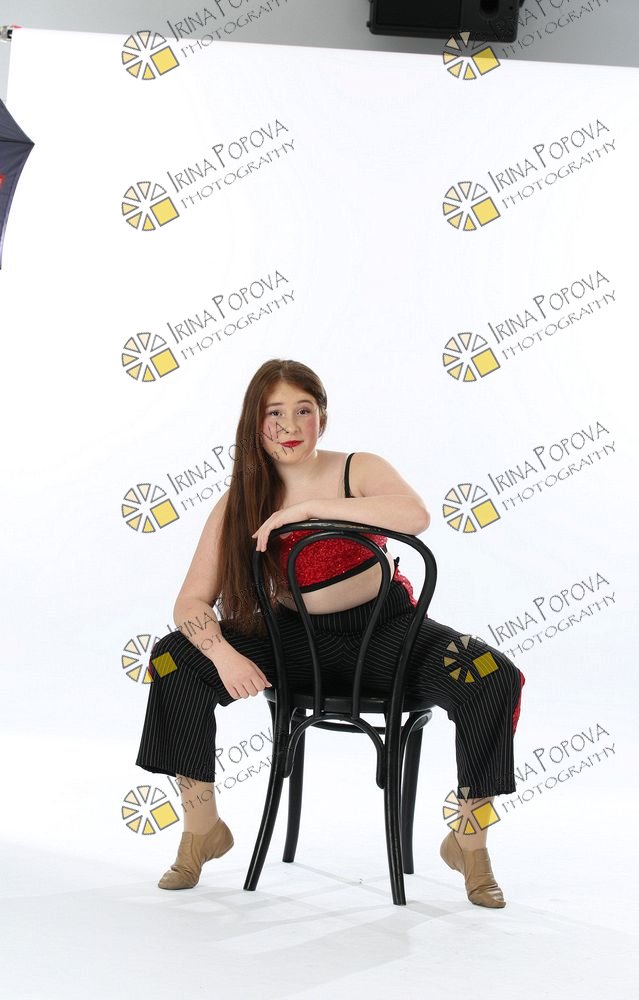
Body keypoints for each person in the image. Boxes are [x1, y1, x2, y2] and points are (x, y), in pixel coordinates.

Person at [136, 358, 526, 907]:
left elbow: (416, 516)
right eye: (274, 413)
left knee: (492, 674)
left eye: (304, 411)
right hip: (293, 643)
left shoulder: (357, 468)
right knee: (172, 659)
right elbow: (190, 602)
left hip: (389, 633)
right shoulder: (240, 499)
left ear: (322, 415)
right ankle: (202, 828)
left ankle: (469, 841)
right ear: (254, 422)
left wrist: (309, 509)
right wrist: (221, 654)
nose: (290, 426)